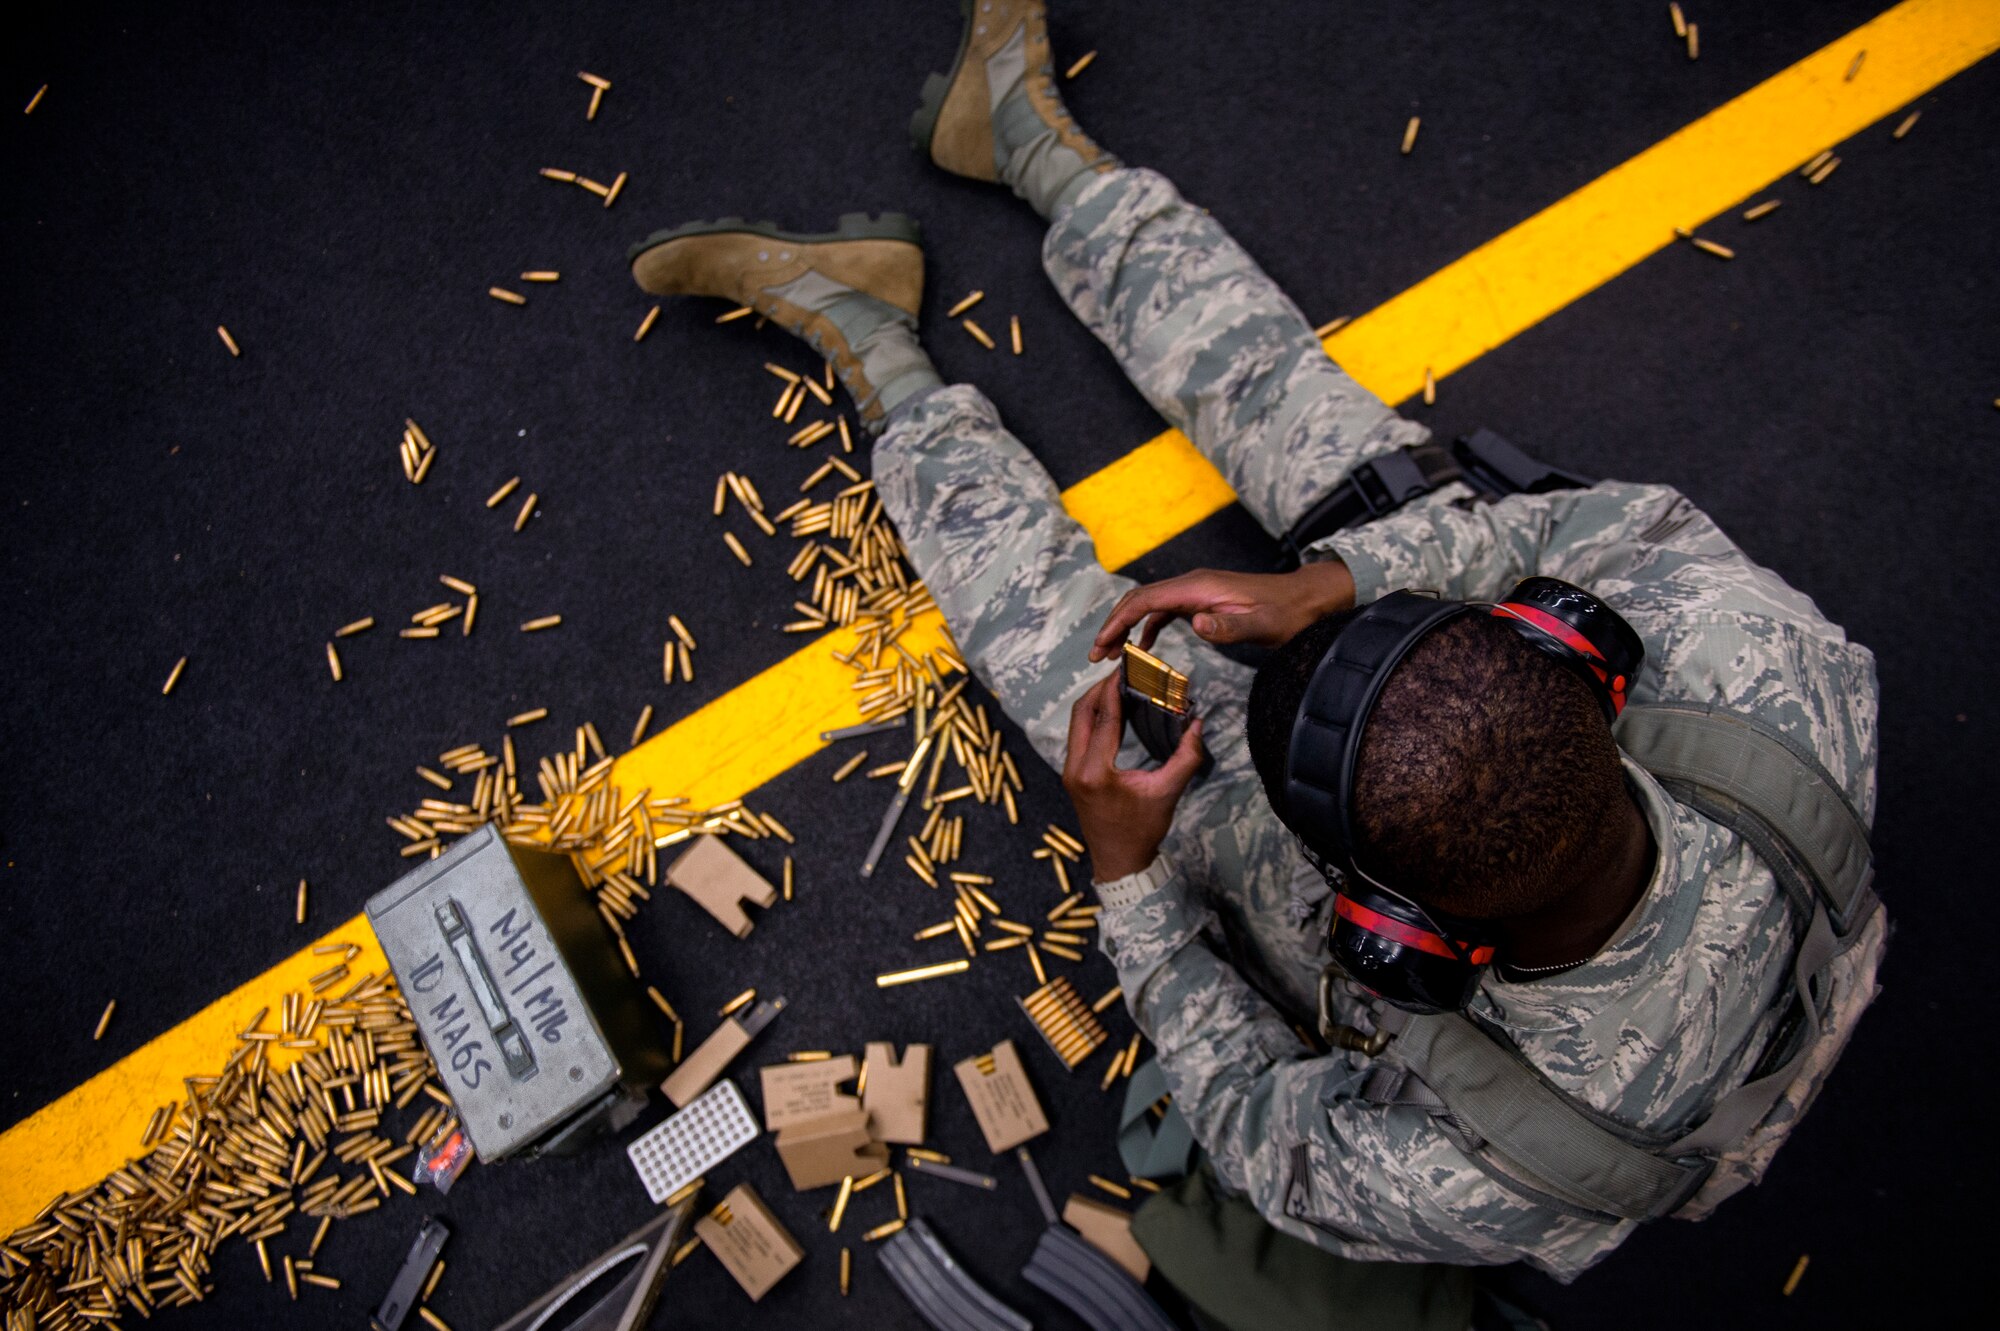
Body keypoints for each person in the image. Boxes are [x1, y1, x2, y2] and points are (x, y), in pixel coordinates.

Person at [628, 4, 1885, 1327]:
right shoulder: (1781, 685)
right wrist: (1335, 583)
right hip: (1672, 884)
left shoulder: (1484, 1176)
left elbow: (1241, 1118)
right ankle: (1025, 141)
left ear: (1399, 934)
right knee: (1373, 481)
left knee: (1087, 686)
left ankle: (870, 338)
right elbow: (1602, 527)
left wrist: (1132, 884)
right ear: (1568, 652)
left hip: (1568, 1089)